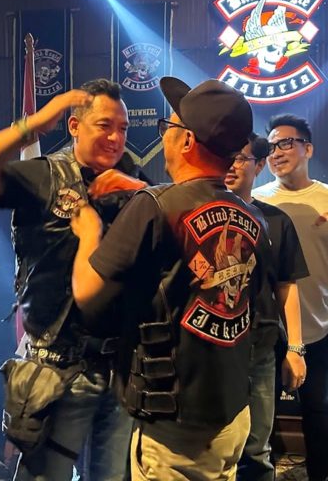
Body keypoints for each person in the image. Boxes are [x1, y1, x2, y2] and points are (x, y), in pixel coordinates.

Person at [0, 78, 147, 481]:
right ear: (74, 126)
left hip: (120, 365)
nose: (116, 138)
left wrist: (139, 189)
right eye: (104, 125)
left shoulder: (133, 177)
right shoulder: (46, 176)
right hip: (58, 364)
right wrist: (33, 124)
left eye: (123, 128)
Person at [70, 77, 268, 480]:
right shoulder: (254, 217)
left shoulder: (154, 206)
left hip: (175, 425)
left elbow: (87, 294)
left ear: (188, 141)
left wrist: (89, 232)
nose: (163, 136)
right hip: (232, 411)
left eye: (168, 127)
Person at [252, 115, 328, 481]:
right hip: (267, 330)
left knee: (317, 409)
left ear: (308, 148)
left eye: (286, 143)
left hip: (319, 328)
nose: (277, 152)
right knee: (262, 417)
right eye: (271, 146)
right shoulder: (256, 200)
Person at [225, 134, 308, 481]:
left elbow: (286, 286)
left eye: (240, 158)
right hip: (212, 350)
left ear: (260, 165)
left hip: (260, 347)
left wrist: (295, 349)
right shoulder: (197, 212)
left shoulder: (276, 220)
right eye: (226, 156)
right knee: (213, 446)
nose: (231, 166)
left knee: (257, 448)